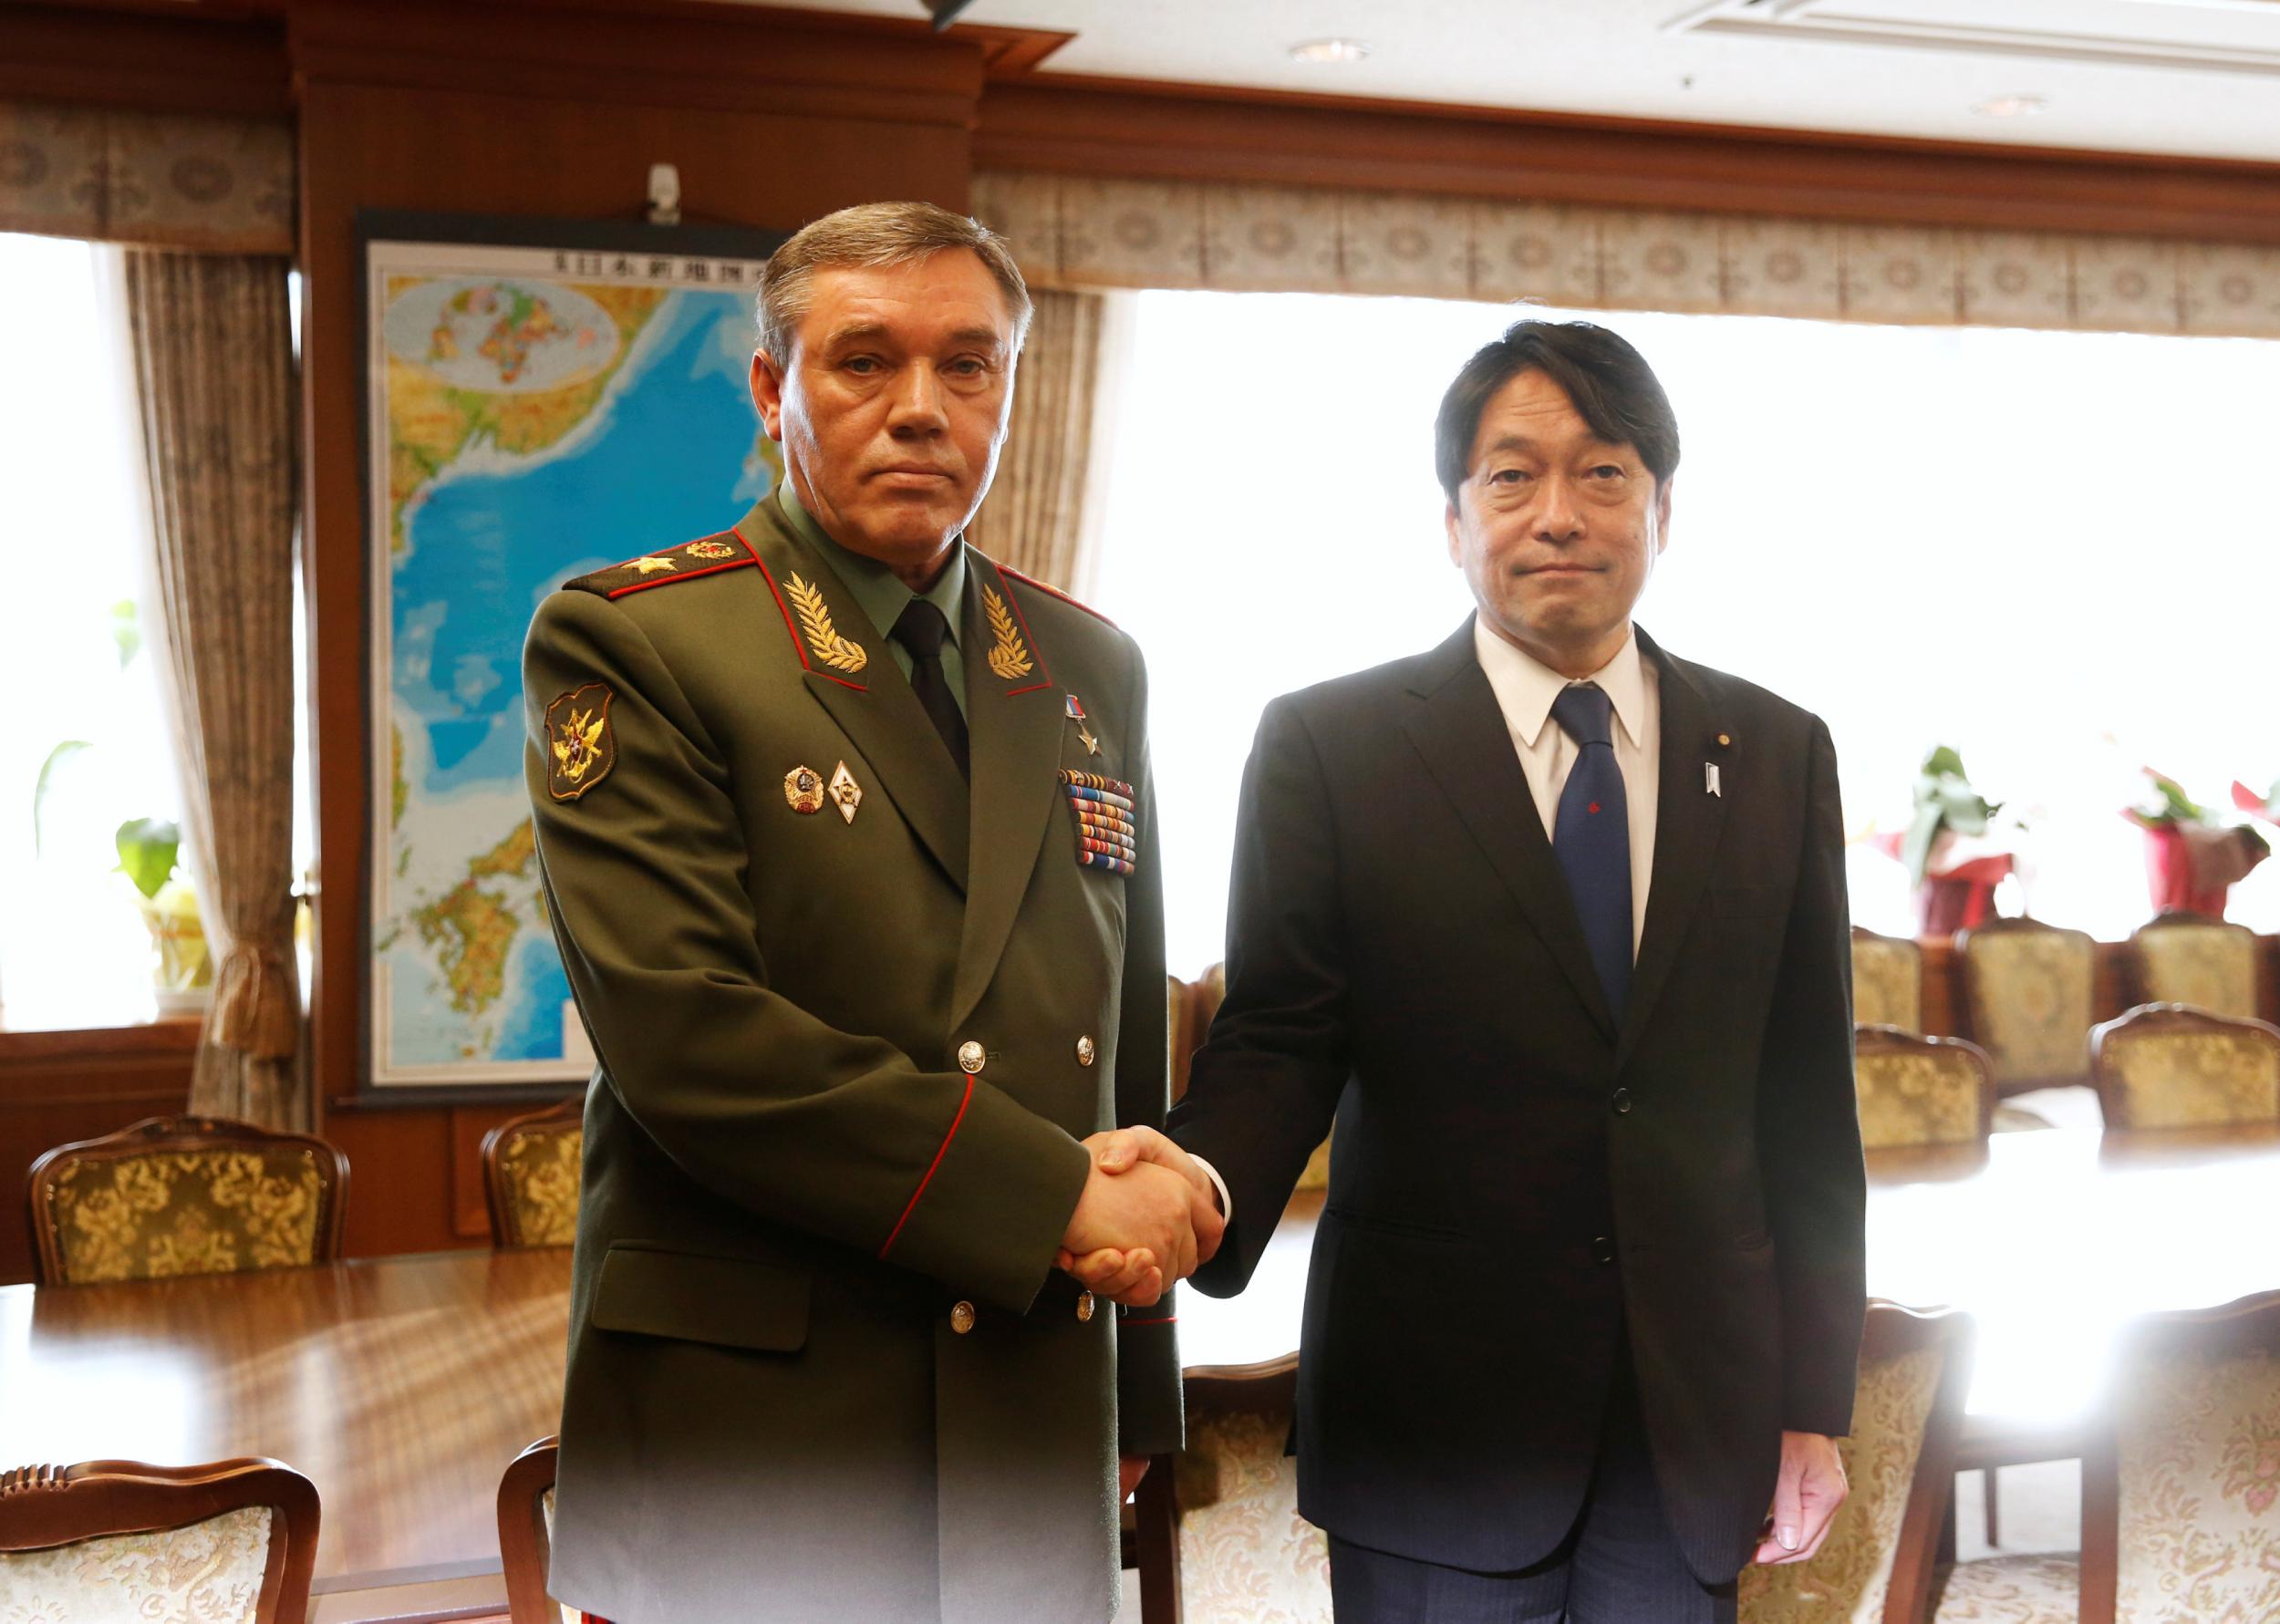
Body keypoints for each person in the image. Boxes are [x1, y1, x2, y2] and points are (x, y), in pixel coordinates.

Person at [1082, 320, 1865, 1621]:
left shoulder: (1777, 748)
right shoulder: (1332, 746)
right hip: (1435, 1423)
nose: (1559, 512)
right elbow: (1280, 1034)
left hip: (1686, 1423)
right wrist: (1195, 1186)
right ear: (1453, 519)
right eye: (1512, 476)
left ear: (1664, 506)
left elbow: (1802, 1103)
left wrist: (1807, 1401)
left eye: (1604, 472)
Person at [522, 201, 1217, 1623]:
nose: (921, 409)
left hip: (1033, 1398)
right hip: (768, 1426)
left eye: (970, 366)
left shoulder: (1089, 663)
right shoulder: (640, 640)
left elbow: (1118, 1035)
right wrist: (1058, 1195)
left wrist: (1136, 1382)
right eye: (863, 362)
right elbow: (691, 1041)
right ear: (775, 389)